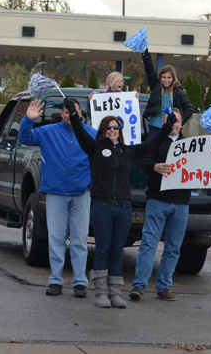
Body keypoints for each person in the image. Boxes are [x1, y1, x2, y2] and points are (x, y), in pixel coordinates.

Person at [66, 98, 176, 308]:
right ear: (103, 130)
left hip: (124, 206)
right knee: (103, 249)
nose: (113, 130)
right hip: (102, 206)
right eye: (109, 127)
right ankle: (100, 292)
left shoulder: (128, 151)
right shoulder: (95, 147)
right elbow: (80, 132)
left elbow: (153, 144)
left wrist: (167, 126)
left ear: (120, 130)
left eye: (116, 127)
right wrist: (74, 115)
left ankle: (115, 292)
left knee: (118, 250)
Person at [18, 98, 97, 298]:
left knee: (79, 241)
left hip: (81, 194)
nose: (69, 114)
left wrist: (90, 185)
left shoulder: (91, 134)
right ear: (61, 114)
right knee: (56, 239)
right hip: (55, 194)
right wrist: (28, 119)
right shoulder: (48, 132)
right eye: (66, 111)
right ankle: (55, 280)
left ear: (81, 113)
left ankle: (80, 282)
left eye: (74, 111)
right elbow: (25, 137)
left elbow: (105, 155)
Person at [129, 108, 190, 302]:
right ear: (163, 123)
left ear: (182, 123)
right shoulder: (155, 142)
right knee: (149, 243)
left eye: (177, 121)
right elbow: (142, 161)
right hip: (157, 200)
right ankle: (138, 286)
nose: (174, 124)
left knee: (173, 248)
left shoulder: (191, 145)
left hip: (181, 203)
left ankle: (164, 287)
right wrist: (155, 167)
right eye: (169, 120)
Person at [141, 49, 193, 137]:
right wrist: (145, 54)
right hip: (154, 126)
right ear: (160, 77)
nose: (166, 80)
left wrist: (179, 122)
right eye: (163, 77)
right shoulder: (155, 86)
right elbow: (149, 70)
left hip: (171, 128)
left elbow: (189, 109)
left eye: (169, 78)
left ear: (173, 78)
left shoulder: (178, 92)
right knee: (153, 150)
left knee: (170, 150)